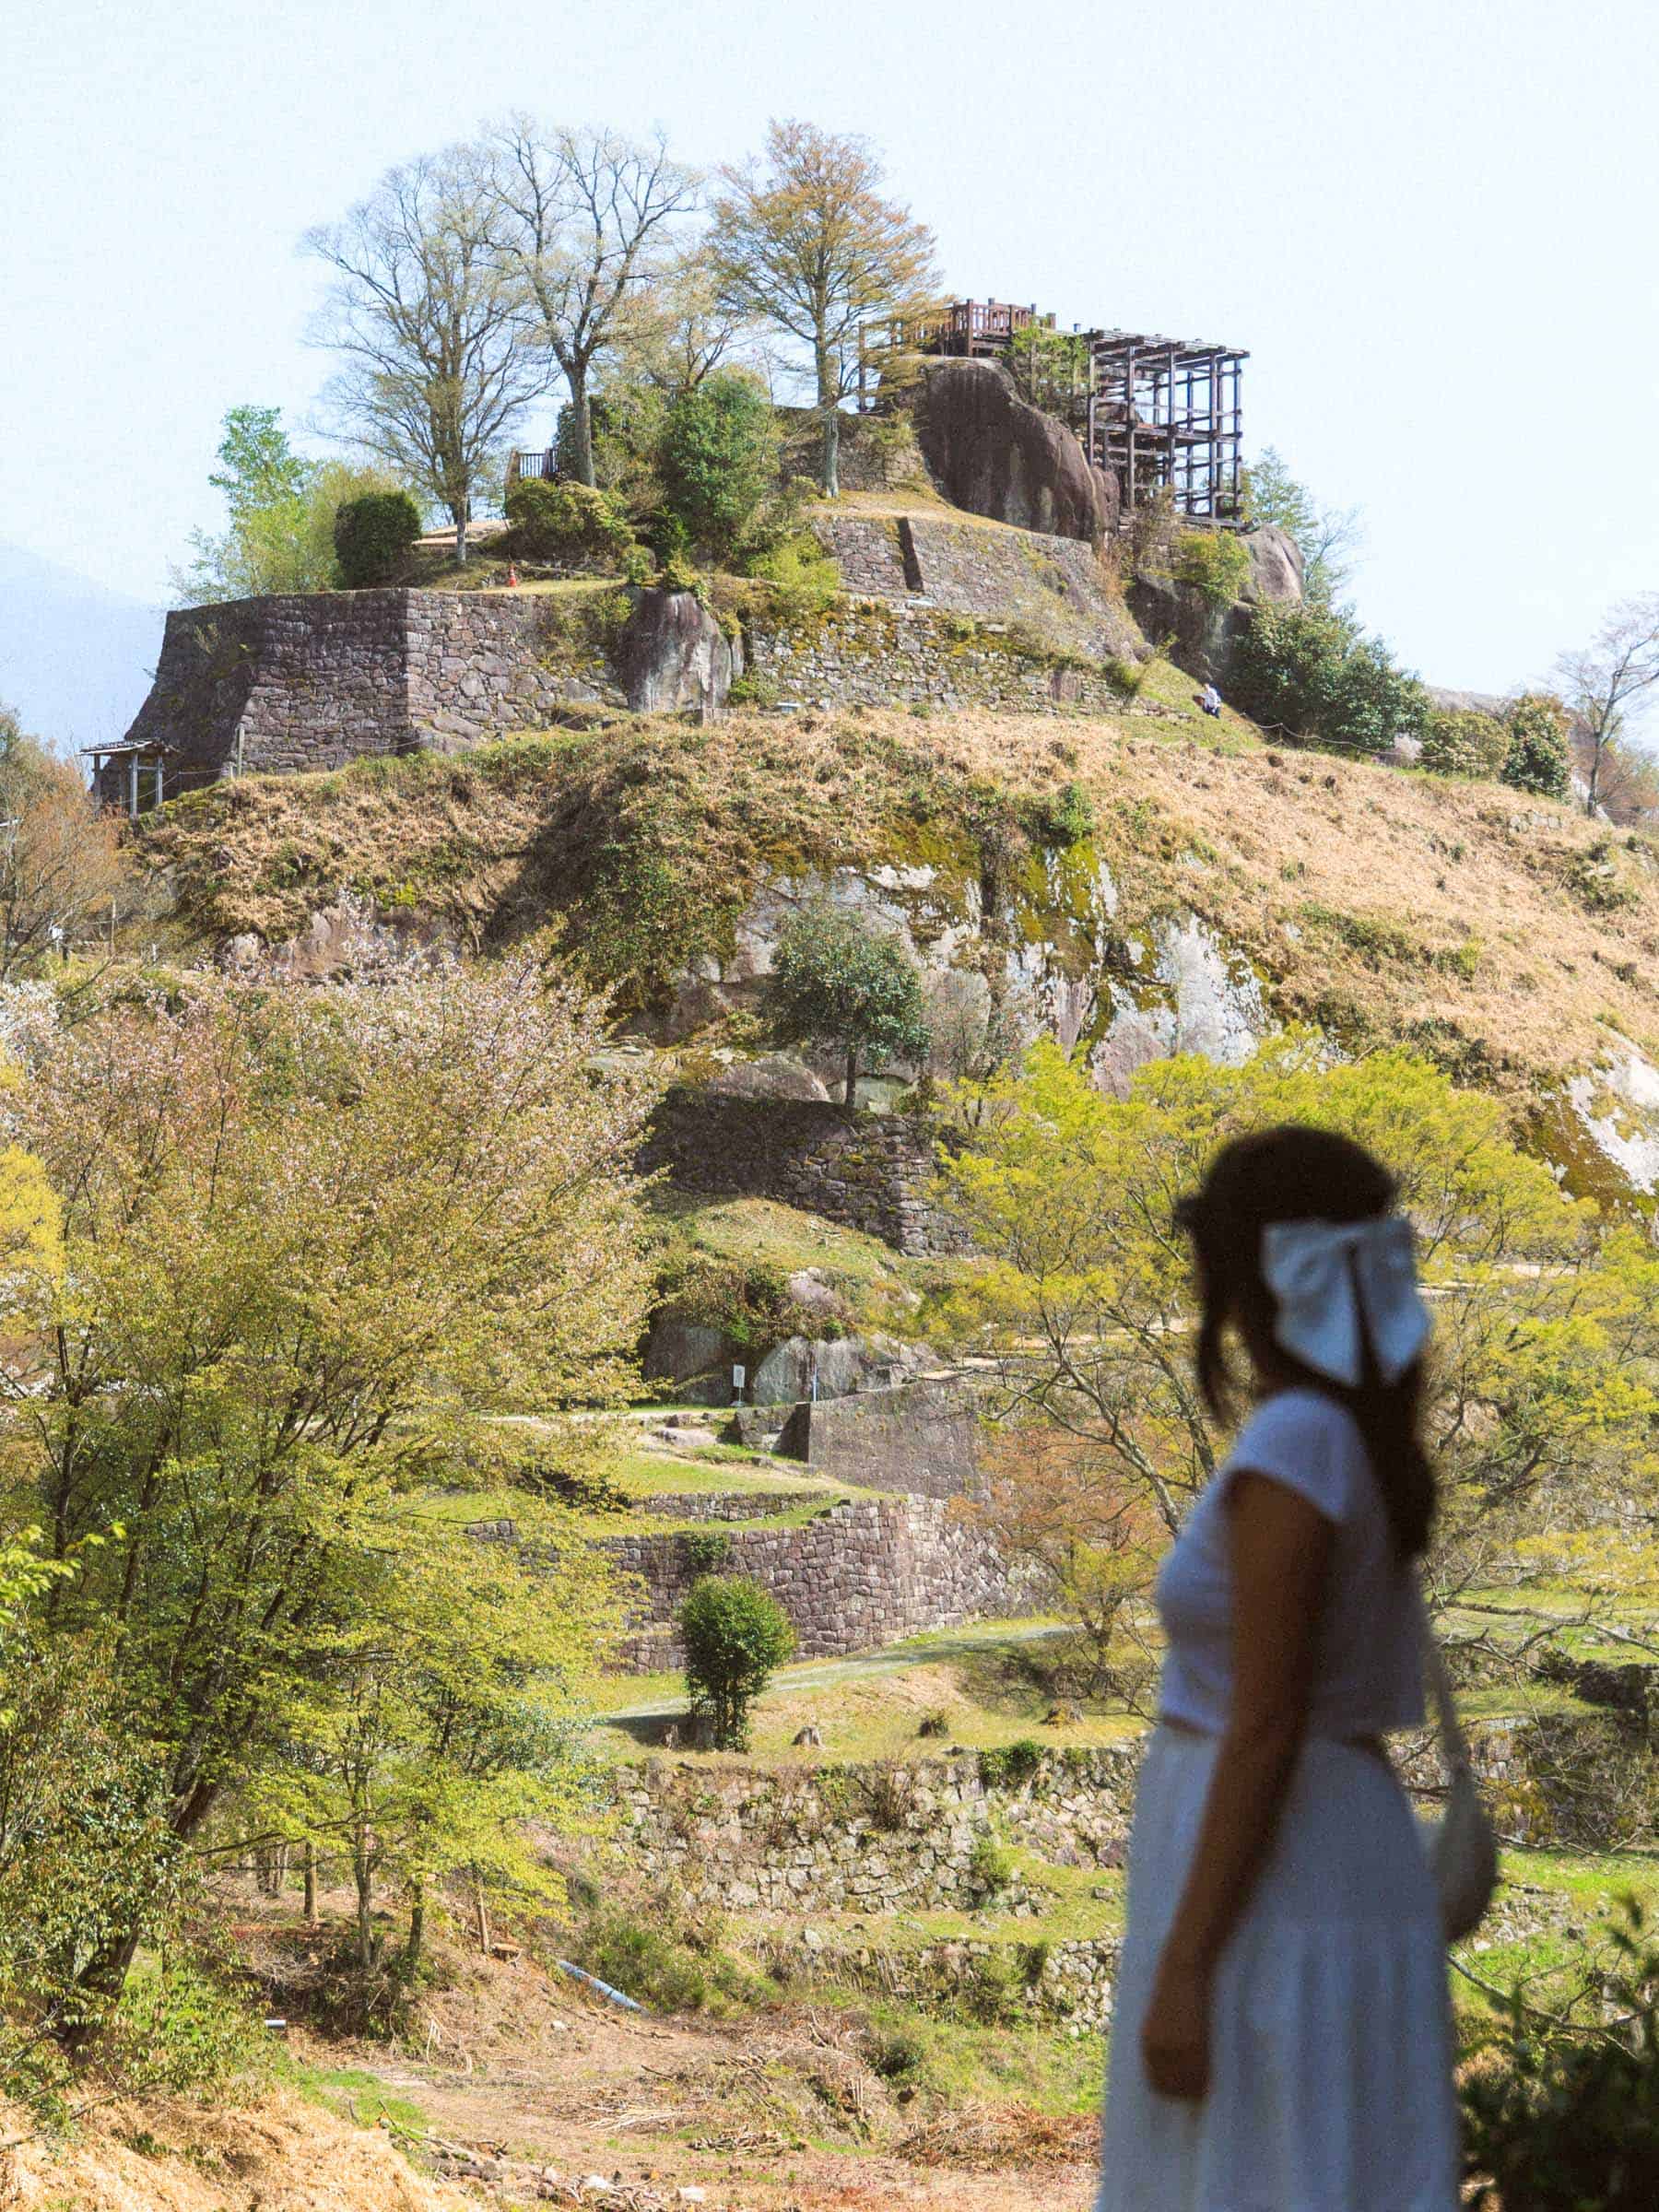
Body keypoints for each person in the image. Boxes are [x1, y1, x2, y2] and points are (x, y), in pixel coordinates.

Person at [1096, 1126, 1458, 2212]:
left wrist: (1190, 1964)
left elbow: (1266, 1722)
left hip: (1279, 1892)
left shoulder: (1297, 1441)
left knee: (1262, 2175)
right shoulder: (1347, 1433)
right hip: (1324, 1872)